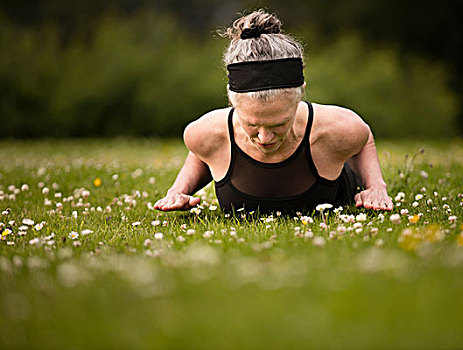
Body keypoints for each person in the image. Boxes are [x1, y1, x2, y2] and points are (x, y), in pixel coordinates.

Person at [154, 10, 393, 214]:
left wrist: (375, 186)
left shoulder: (338, 128)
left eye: (279, 124)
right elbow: (201, 153)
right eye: (252, 124)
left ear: (301, 94)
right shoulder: (205, 132)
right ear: (231, 98)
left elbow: (363, 139)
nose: (265, 137)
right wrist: (179, 191)